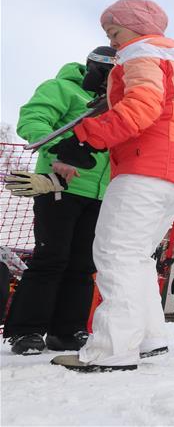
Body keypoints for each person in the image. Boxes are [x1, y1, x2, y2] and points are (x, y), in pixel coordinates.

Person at [49, 0, 174, 372]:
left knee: (115, 253)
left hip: (145, 168)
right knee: (135, 257)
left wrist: (86, 138)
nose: (112, 41)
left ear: (137, 28)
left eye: (114, 32)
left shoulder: (141, 55)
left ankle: (111, 350)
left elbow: (141, 107)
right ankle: (150, 338)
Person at [2, 46, 116, 356]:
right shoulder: (62, 89)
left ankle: (66, 331)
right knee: (52, 257)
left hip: (100, 195)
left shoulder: (117, 102)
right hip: (59, 186)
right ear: (92, 69)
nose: (109, 82)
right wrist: (60, 152)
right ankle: (26, 331)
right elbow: (34, 122)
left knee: (82, 264)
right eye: (105, 75)